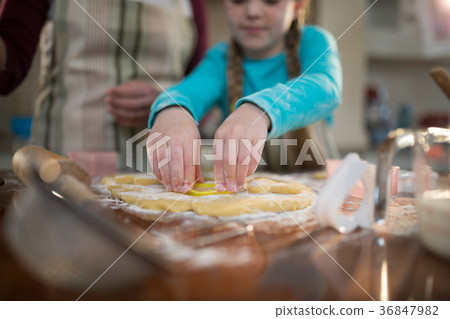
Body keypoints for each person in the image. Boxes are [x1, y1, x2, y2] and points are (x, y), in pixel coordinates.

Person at [147, 0, 342, 194]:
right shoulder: (220, 59)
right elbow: (185, 93)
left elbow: (326, 86)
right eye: (239, 0)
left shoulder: (313, 42)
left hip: (320, 200)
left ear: (297, 7)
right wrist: (171, 111)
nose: (253, 11)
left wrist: (258, 110)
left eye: (271, 1)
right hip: (245, 205)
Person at [0, 0, 207, 167]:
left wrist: (165, 104)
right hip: (63, 167)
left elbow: (202, 86)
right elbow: (8, 70)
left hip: (158, 173)